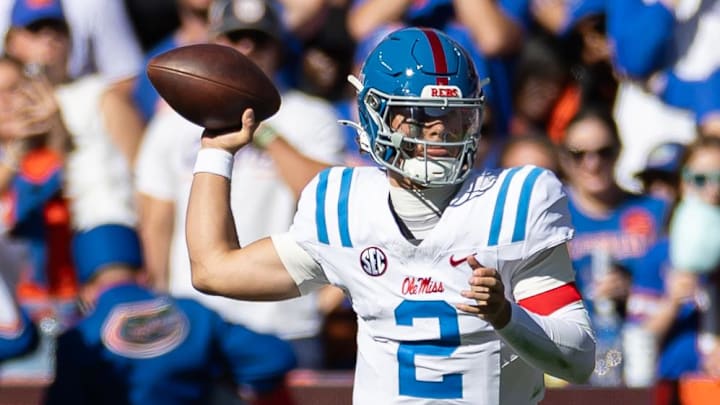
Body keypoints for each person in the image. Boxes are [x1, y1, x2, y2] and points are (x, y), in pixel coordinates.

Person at [185, 27, 595, 403]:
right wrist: (216, 152)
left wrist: (506, 315)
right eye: (420, 114)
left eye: (452, 115)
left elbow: (577, 360)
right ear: (375, 115)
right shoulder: (344, 208)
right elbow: (213, 270)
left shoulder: (516, 202)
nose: (438, 130)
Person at [135, 0, 346, 369]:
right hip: (196, 320)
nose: (247, 49)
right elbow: (156, 220)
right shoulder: (170, 123)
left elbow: (328, 198)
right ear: (214, 43)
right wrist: (160, 300)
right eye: (236, 38)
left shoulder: (312, 116)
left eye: (258, 40)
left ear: (278, 47)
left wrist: (261, 131)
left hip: (284, 322)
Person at [43, 223, 297, 405]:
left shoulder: (79, 337)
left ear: (85, 291)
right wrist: (219, 376)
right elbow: (273, 357)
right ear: (144, 274)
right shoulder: (193, 313)